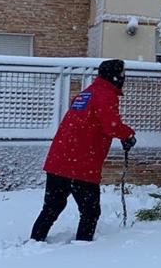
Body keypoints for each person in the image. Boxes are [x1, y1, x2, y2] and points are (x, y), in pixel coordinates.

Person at [31, 59, 136, 242]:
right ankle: (83, 250)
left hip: (58, 161)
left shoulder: (86, 94)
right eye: (122, 74)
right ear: (115, 75)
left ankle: (34, 241)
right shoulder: (105, 95)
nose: (124, 77)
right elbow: (111, 125)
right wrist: (128, 135)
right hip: (81, 165)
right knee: (90, 211)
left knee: (51, 208)